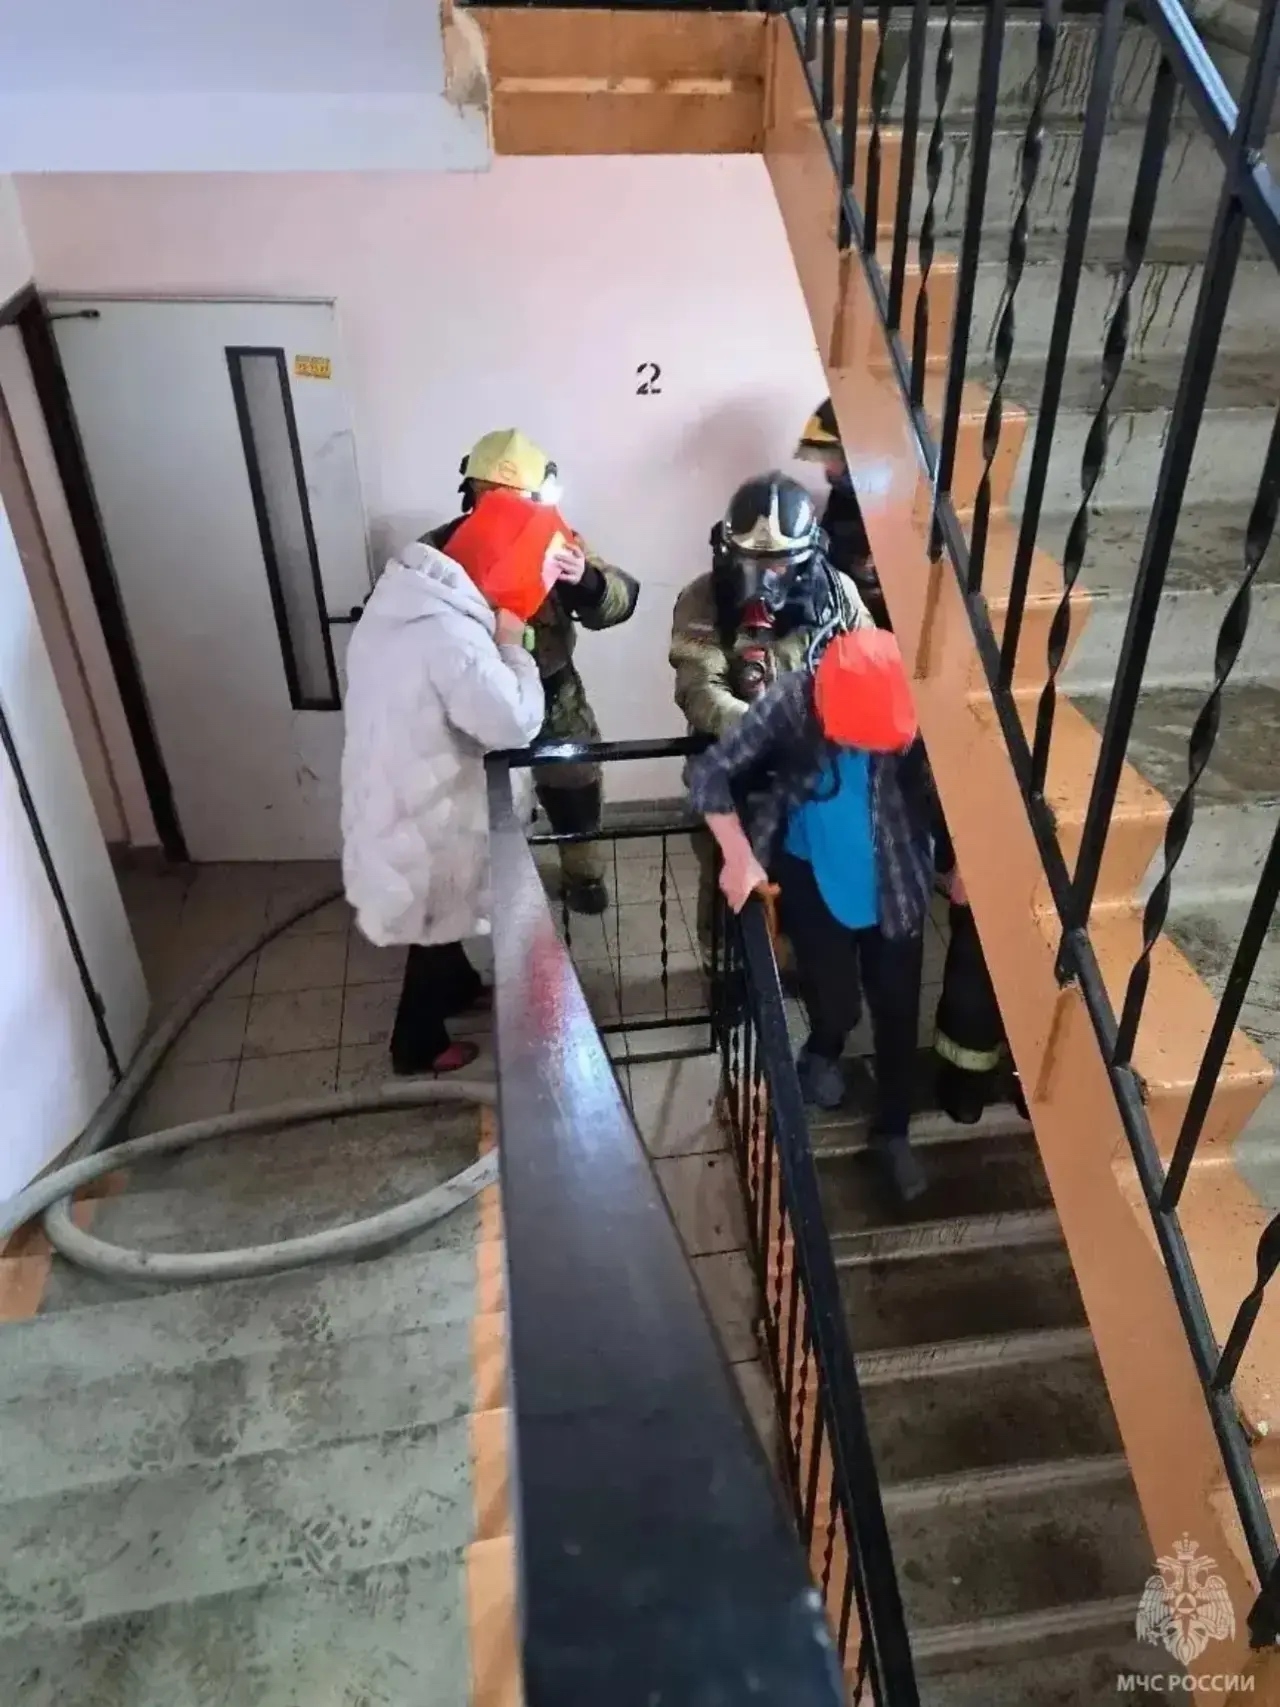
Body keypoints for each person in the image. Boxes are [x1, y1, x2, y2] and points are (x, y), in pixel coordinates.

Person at [686, 627, 936, 1204]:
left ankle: (893, 1131)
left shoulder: (926, 698)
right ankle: (823, 1048)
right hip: (811, 875)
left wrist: (962, 863)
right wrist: (739, 854)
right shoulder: (795, 698)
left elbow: (968, 787)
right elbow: (709, 773)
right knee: (837, 1000)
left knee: (899, 1012)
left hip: (897, 878)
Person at [341, 488, 563, 1075]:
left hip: (395, 782)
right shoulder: (450, 633)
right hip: (426, 802)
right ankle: (416, 1044)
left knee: (439, 907)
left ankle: (459, 987)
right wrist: (512, 646)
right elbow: (513, 721)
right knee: (434, 914)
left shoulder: (405, 597)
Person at [425, 429, 639, 916]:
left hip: (552, 691)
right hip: (470, 696)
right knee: (473, 800)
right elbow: (399, 608)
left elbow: (620, 599)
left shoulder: (558, 542)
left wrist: (586, 581)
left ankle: (583, 875)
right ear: (472, 494)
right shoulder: (439, 548)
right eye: (492, 498)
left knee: (575, 786)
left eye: (516, 500)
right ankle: (480, 889)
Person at [669, 470, 873, 955]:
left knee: (806, 890)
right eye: (750, 562)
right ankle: (725, 966)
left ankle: (801, 966)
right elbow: (701, 690)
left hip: (815, 778)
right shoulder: (702, 599)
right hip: (734, 777)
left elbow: (868, 671)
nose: (762, 579)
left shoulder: (838, 594)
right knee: (732, 896)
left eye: (778, 564)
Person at [795, 399, 888, 630]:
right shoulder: (842, 497)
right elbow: (826, 550)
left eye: (833, 458)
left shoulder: (893, 505)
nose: (828, 468)